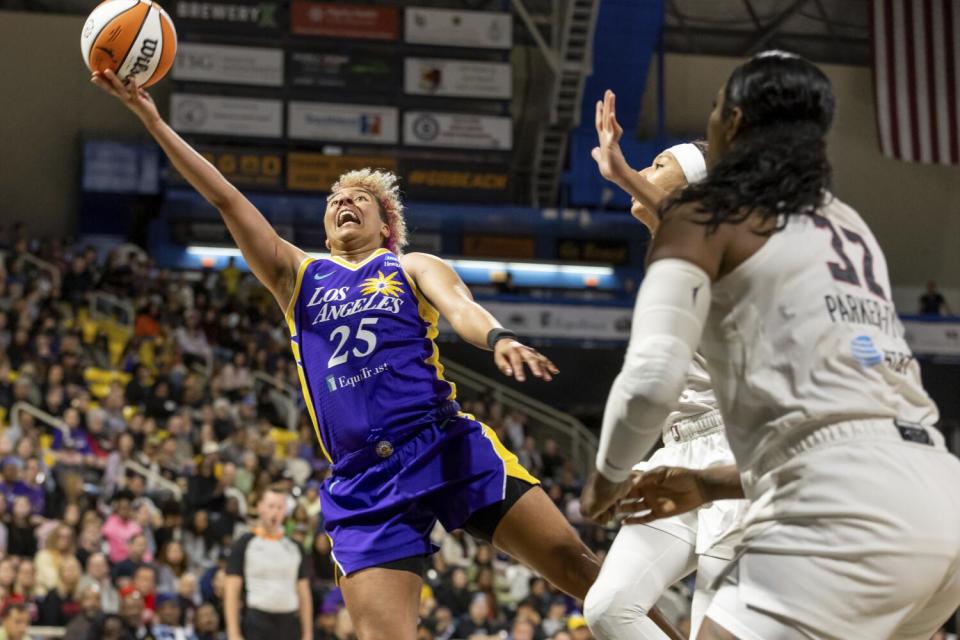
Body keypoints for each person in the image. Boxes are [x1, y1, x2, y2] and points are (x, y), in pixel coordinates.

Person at [90, 67, 673, 640]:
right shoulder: (298, 276)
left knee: (574, 566)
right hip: (362, 481)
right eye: (335, 196)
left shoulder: (408, 265)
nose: (344, 199)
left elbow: (462, 309)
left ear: (385, 222)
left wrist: (498, 338)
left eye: (359, 196)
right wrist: (153, 118)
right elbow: (225, 197)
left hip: (441, 443)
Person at [580, 51, 960, 639]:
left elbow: (650, 380)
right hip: (936, 488)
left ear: (731, 124)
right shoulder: (844, 226)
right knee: (614, 608)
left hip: (840, 499)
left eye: (712, 110)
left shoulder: (709, 221)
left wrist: (603, 479)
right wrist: (706, 483)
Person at [581, 91, 746, 640]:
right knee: (608, 609)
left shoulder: (714, 241)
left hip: (734, 454)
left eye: (660, 165)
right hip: (678, 450)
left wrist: (621, 168)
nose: (649, 171)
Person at [223, 485, 310, 640]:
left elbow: (303, 592)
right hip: (256, 621)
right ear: (260, 507)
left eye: (280, 507)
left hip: (289, 622)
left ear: (285, 511)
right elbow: (231, 590)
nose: (275, 512)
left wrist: (307, 633)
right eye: (271, 506)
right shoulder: (245, 543)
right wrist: (233, 633)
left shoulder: (295, 547)